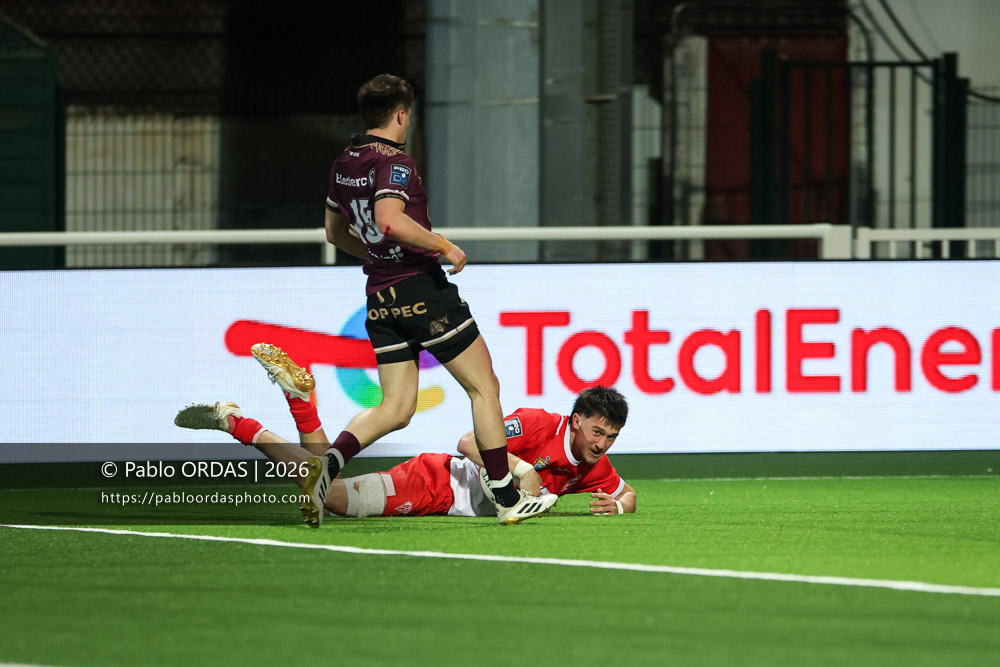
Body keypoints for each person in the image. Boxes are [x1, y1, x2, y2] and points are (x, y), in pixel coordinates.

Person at [303, 72, 549, 526]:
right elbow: (390, 218)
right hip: (421, 289)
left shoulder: (343, 162)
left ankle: (326, 466)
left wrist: (378, 251)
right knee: (484, 388)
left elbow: (335, 232)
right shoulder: (396, 163)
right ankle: (507, 496)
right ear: (402, 115)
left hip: (379, 295)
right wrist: (442, 245)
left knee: (395, 409)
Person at [174, 348, 635, 519]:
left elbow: (629, 494)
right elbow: (469, 442)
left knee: (321, 493)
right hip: (439, 482)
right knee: (330, 498)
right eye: (597, 432)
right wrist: (516, 467)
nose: (601, 444)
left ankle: (254, 415)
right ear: (576, 420)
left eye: (610, 438)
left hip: (448, 504)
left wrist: (617, 503)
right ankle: (249, 420)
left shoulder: (596, 464)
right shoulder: (538, 423)